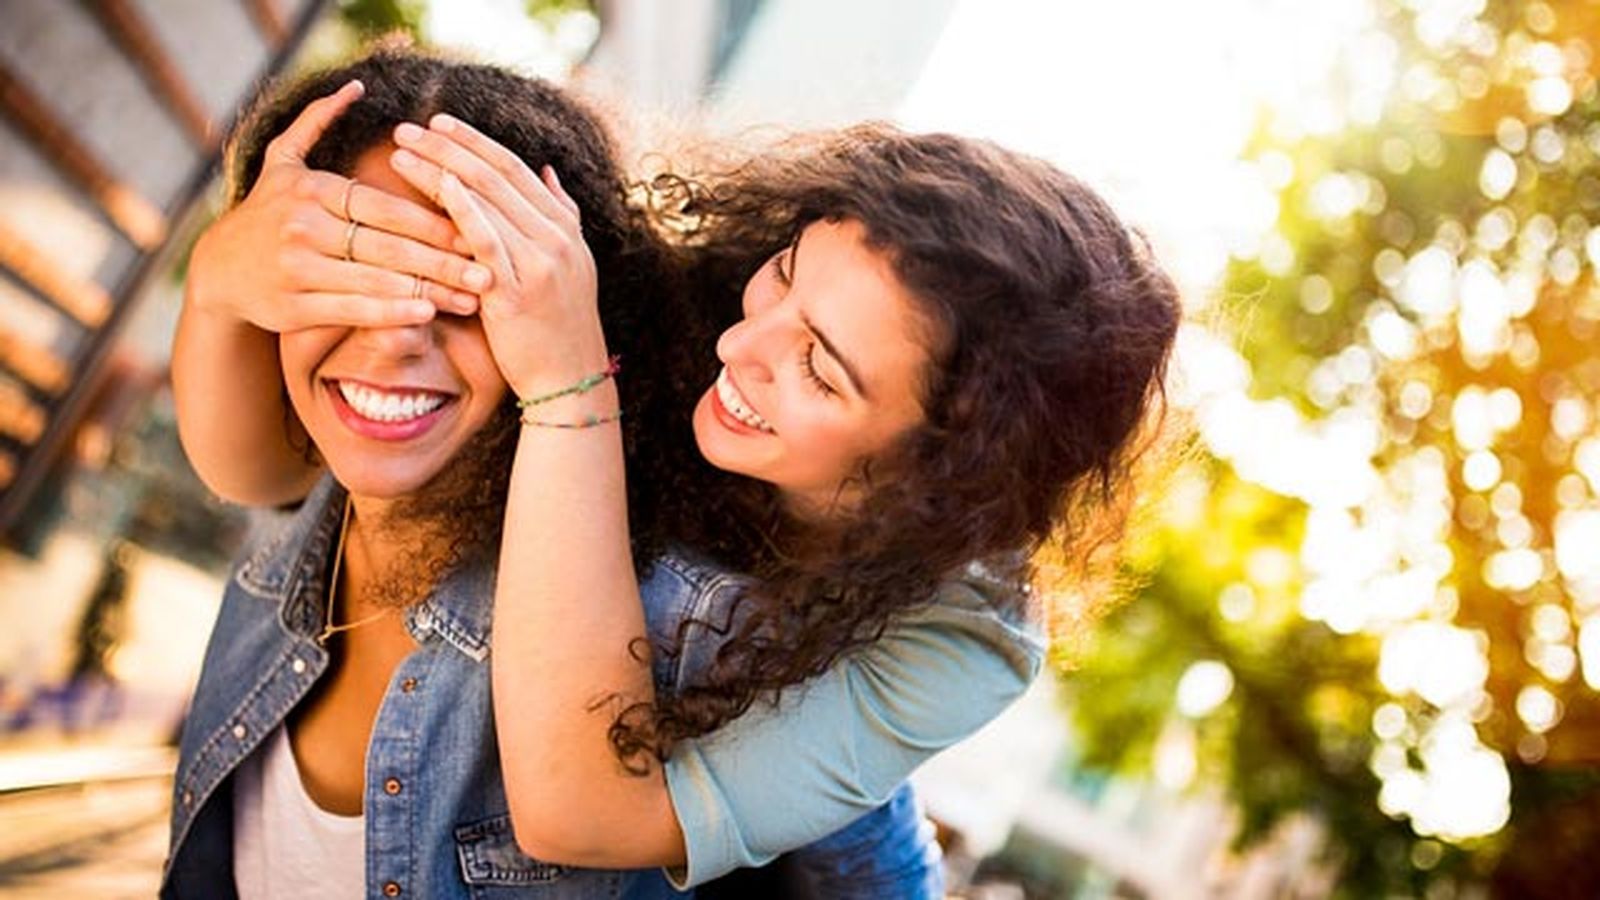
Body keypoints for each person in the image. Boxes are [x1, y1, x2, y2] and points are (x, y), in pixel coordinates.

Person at [172, 42, 1183, 897]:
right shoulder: (687, 320)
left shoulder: (967, 637)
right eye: (782, 275)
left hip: (812, 779)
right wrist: (221, 275)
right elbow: (267, 473)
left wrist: (569, 383)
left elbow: (584, 812)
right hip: (668, 684)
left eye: (817, 368)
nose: (744, 350)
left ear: (934, 474)